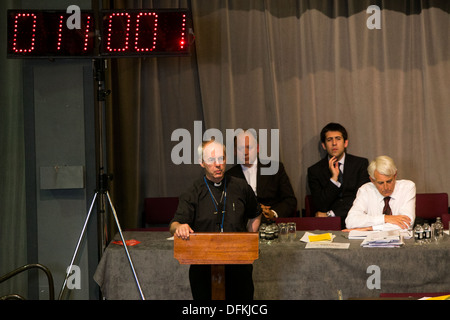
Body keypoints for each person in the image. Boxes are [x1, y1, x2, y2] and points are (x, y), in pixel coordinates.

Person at [170, 139, 261, 300]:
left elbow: (256, 213)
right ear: (202, 163)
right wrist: (180, 227)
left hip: (238, 266)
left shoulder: (241, 187)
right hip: (203, 268)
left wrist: (248, 239)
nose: (218, 164)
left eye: (221, 159)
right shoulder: (193, 191)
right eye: (212, 160)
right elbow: (175, 224)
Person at [226, 129, 297, 221]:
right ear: (235, 151)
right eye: (241, 148)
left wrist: (273, 213)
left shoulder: (275, 169)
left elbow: (290, 200)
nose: (245, 152)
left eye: (249, 147)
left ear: (258, 148)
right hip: (243, 227)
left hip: (271, 223)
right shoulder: (229, 176)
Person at [307, 123, 370, 226]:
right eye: (329, 140)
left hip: (356, 220)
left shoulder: (360, 164)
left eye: (338, 139)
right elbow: (320, 204)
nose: (334, 143)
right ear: (323, 145)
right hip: (328, 225)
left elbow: (362, 198)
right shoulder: (314, 170)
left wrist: (331, 214)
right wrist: (334, 179)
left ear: (345, 143)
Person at [344, 155, 415, 231]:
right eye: (380, 183)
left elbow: (407, 224)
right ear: (372, 180)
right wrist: (385, 218)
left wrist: (369, 228)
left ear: (395, 176)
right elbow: (350, 222)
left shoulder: (407, 187)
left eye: (389, 181)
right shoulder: (365, 190)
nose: (386, 187)